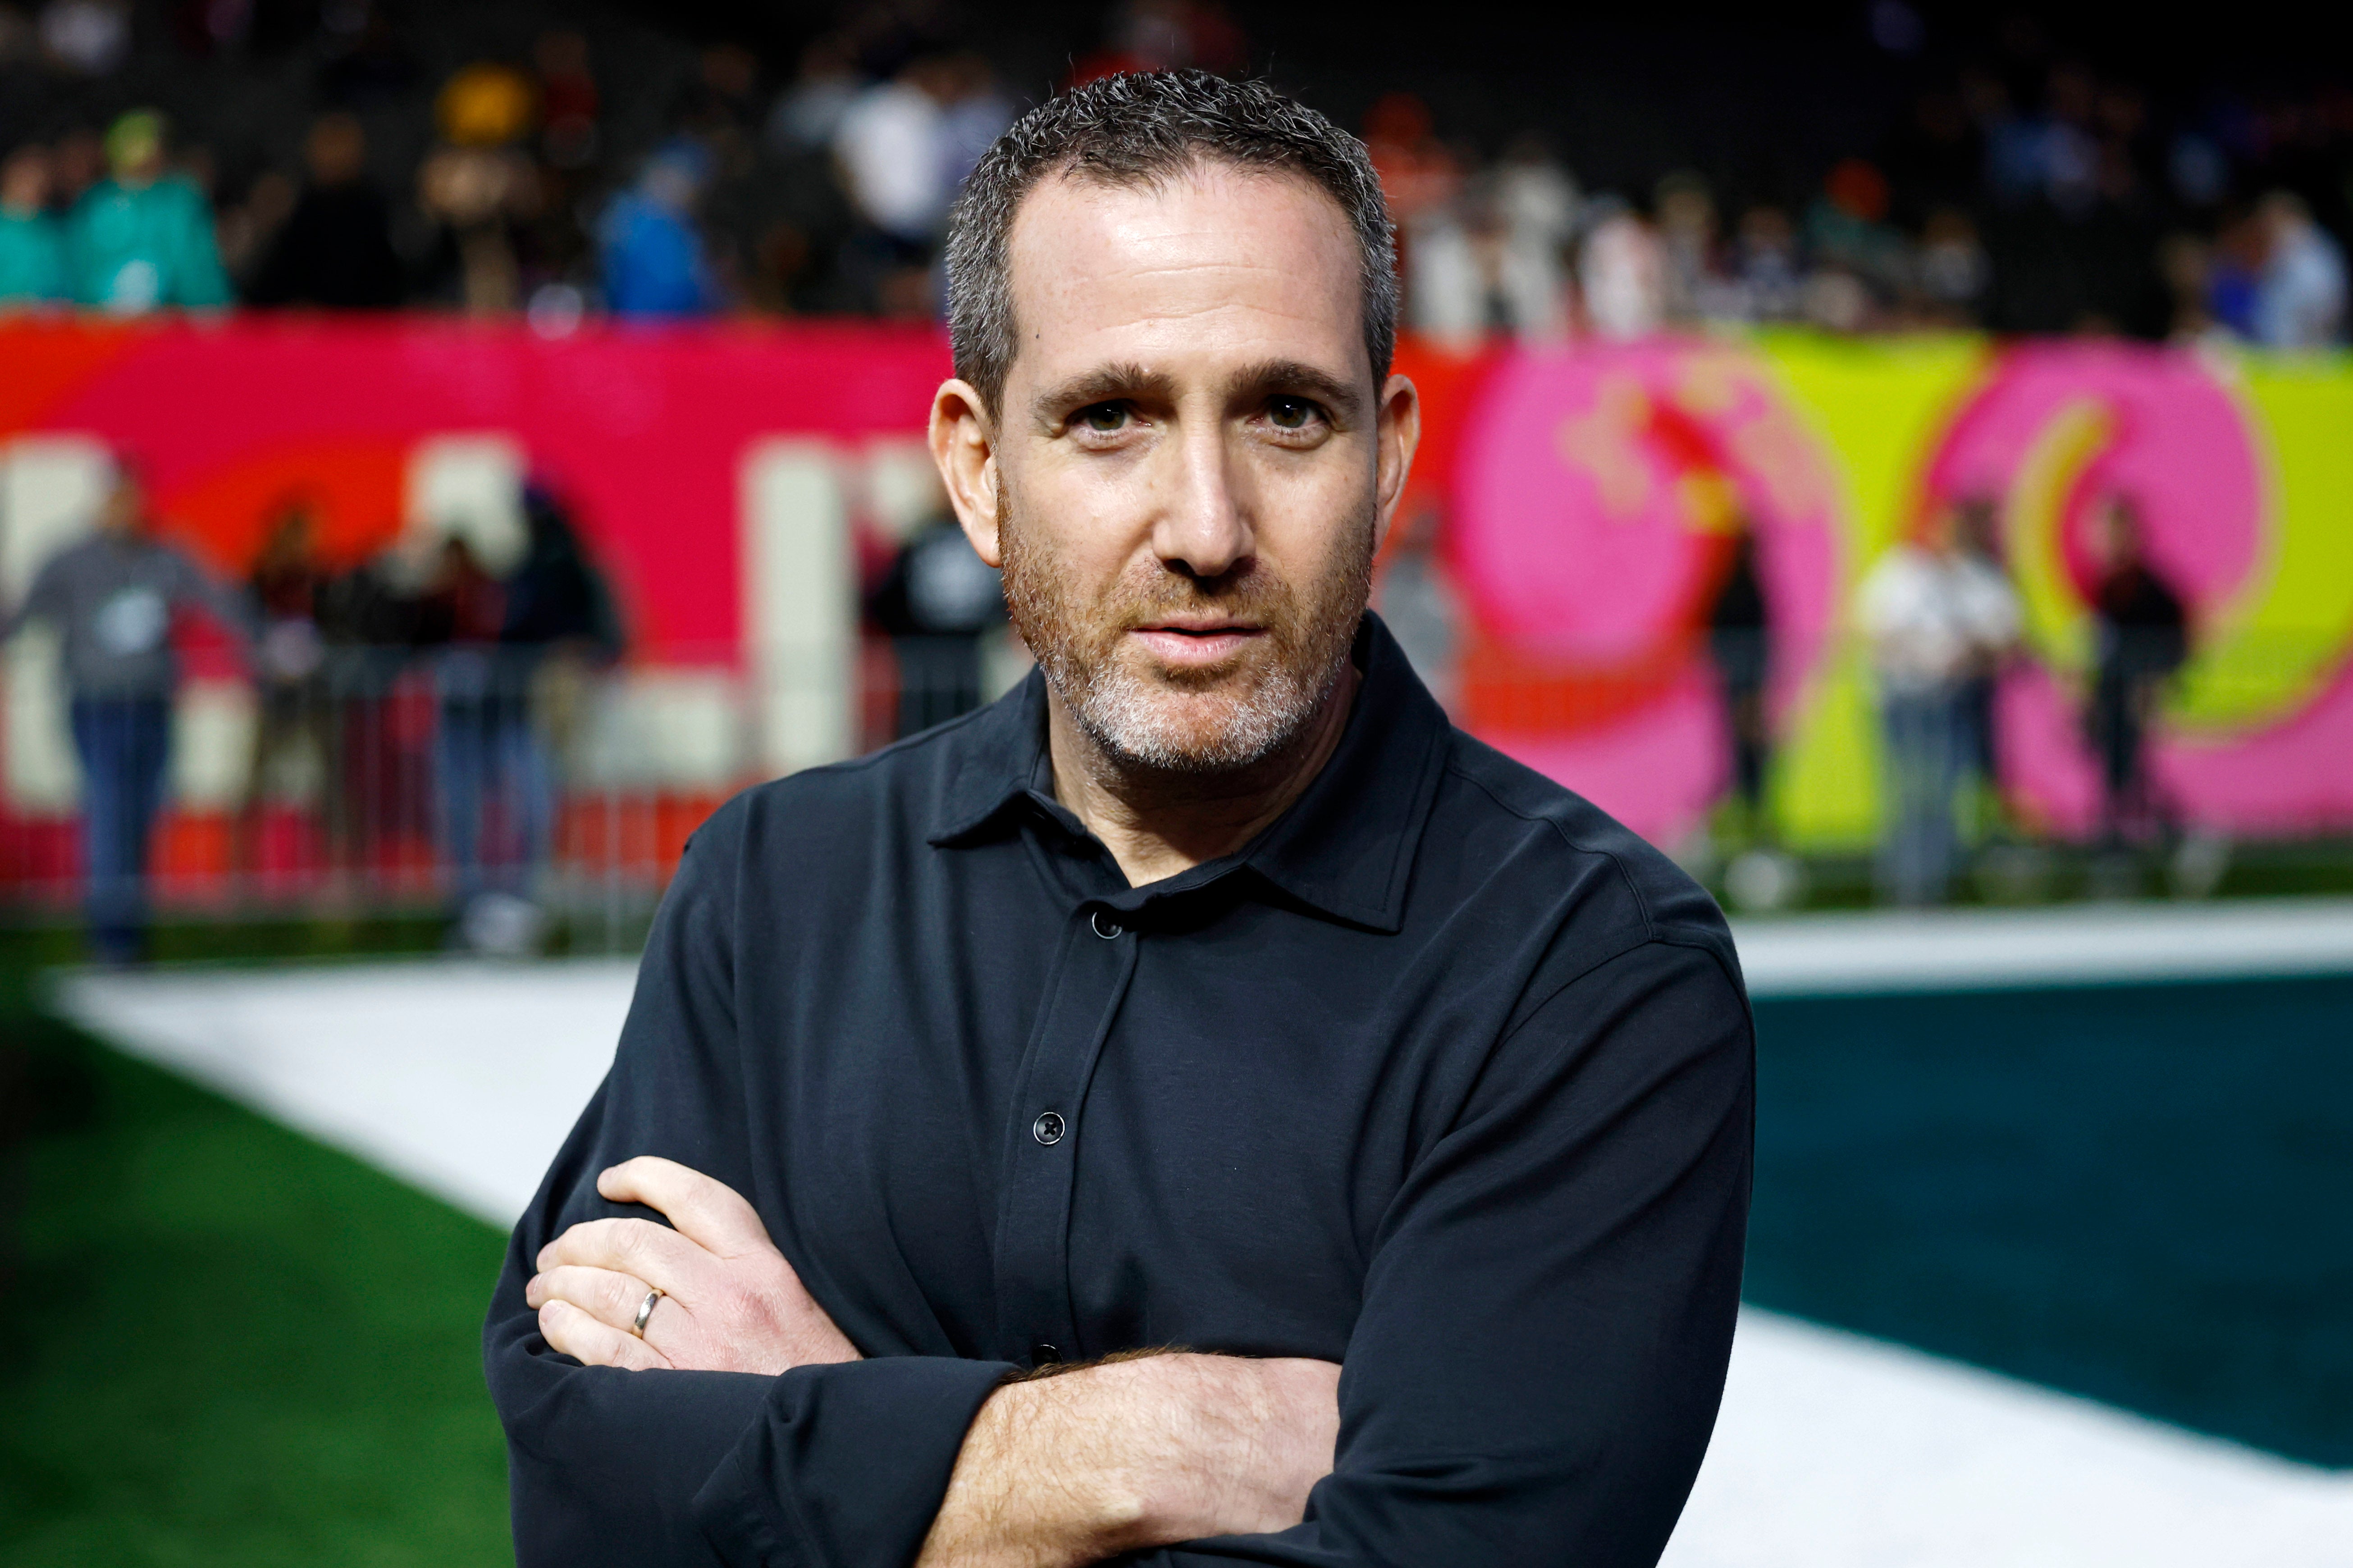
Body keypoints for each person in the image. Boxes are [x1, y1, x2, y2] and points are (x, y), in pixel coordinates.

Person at [488, 72, 1752, 1568]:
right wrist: (1145, 1449)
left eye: (1286, 414)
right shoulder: (773, 890)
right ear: (978, 469)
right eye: (1109, 418)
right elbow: (589, 1507)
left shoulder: (1590, 973)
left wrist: (814, 1436)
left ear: (1390, 459)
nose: (1206, 528)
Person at [0, 465, 251, 961]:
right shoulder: (71, 560)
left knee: (143, 817)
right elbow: (24, 615)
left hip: (152, 705)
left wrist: (270, 645)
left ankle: (131, 933)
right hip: (97, 707)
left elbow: (220, 600)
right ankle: (111, 941)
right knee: (109, 814)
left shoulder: (165, 556)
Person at [1856, 500, 2020, 904]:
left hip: (1953, 705)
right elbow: (1870, 629)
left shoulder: (1974, 576)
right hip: (1904, 704)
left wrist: (1966, 655)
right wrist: (1918, 653)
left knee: (1946, 796)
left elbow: (2006, 633)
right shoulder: (1900, 573)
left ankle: (1941, 883)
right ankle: (1905, 885)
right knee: (1906, 794)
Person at [2083, 496, 2187, 847]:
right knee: (2113, 774)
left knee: (2141, 774)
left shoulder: (2151, 590)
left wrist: (2155, 682)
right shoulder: (2100, 585)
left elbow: (2175, 643)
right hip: (2109, 695)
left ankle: (2164, 839)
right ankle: (2117, 844)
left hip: (2137, 696)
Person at [64, 110, 232, 313]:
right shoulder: (96, 202)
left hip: (173, 324)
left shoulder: (178, 199)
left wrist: (211, 310)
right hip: (104, 328)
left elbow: (196, 264)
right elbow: (79, 265)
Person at [247, 111, 406, 308]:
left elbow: (389, 287)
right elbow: (271, 288)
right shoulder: (303, 208)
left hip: (364, 327)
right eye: (328, 145)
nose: (335, 155)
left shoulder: (373, 209)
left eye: (342, 145)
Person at [1704, 520, 1771, 836]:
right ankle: (1733, 822)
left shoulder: (1743, 584)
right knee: (1729, 755)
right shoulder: (1731, 584)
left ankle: (1750, 822)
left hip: (1744, 685)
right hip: (1733, 685)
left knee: (1747, 754)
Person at [0, 144, 69, 305]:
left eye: (40, 181)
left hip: (42, 322)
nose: (33, 188)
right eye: (25, 179)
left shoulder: (52, 230)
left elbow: (62, 280)